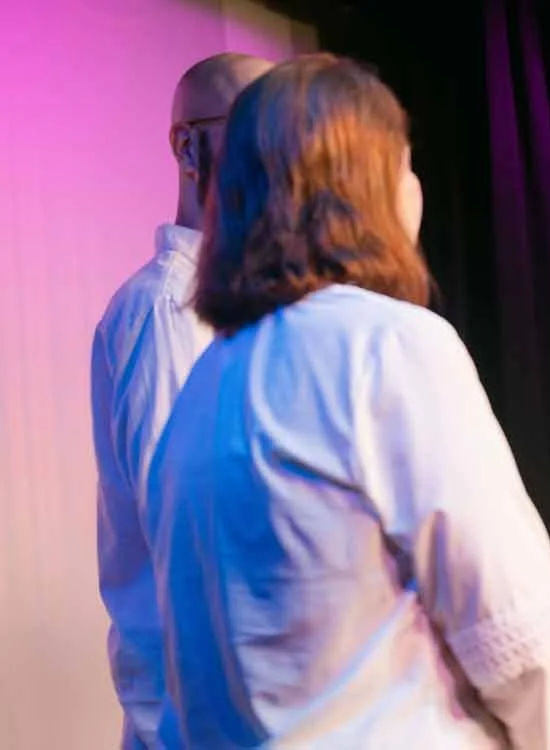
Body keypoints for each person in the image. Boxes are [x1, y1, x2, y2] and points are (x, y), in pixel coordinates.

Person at [143, 53, 550, 749]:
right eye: (404, 163)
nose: (415, 188)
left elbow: (182, 680)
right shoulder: (386, 346)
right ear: (364, 188)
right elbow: (520, 641)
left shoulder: (200, 391)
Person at [90, 51, 273, 749]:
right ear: (189, 148)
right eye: (255, 127)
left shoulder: (250, 313)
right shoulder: (168, 311)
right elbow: (192, 547)